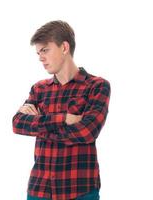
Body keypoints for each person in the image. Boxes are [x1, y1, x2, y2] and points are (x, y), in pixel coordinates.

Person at [12, 20, 110, 200]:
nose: (40, 57)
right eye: (38, 52)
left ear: (64, 47)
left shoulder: (97, 86)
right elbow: (17, 124)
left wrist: (41, 126)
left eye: (45, 50)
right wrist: (64, 118)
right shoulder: (39, 89)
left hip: (79, 190)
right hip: (39, 189)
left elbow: (87, 132)